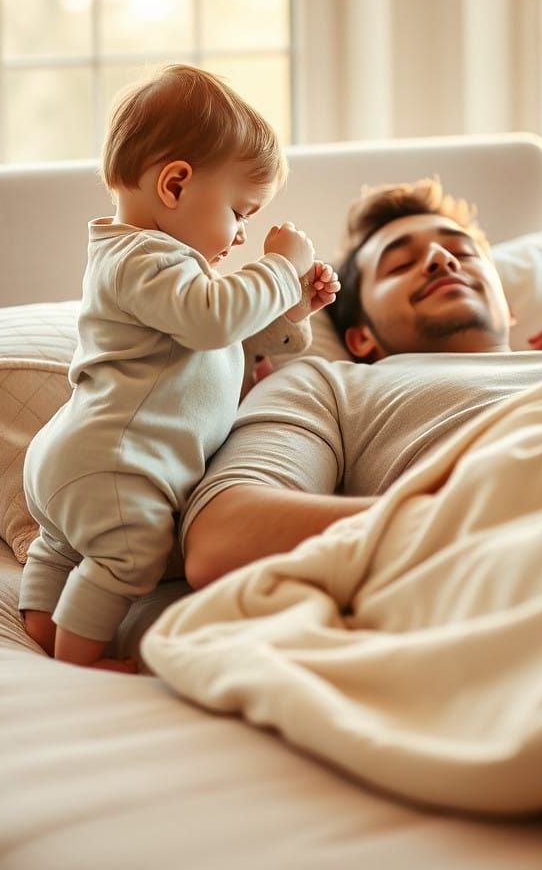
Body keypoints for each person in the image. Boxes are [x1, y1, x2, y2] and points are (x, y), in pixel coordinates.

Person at [181, 177, 542, 590]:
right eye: (399, 265)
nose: (441, 259)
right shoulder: (328, 383)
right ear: (361, 336)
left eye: (461, 253)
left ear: (507, 307)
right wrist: (500, 520)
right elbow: (222, 537)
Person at [18, 64, 340, 672]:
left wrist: (292, 307)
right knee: (129, 556)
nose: (242, 235)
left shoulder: (156, 269)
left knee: (62, 546)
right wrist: (277, 266)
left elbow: (223, 344)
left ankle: (41, 627)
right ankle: (77, 663)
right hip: (115, 464)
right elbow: (213, 321)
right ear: (175, 186)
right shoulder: (144, 259)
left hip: (83, 457)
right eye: (239, 212)